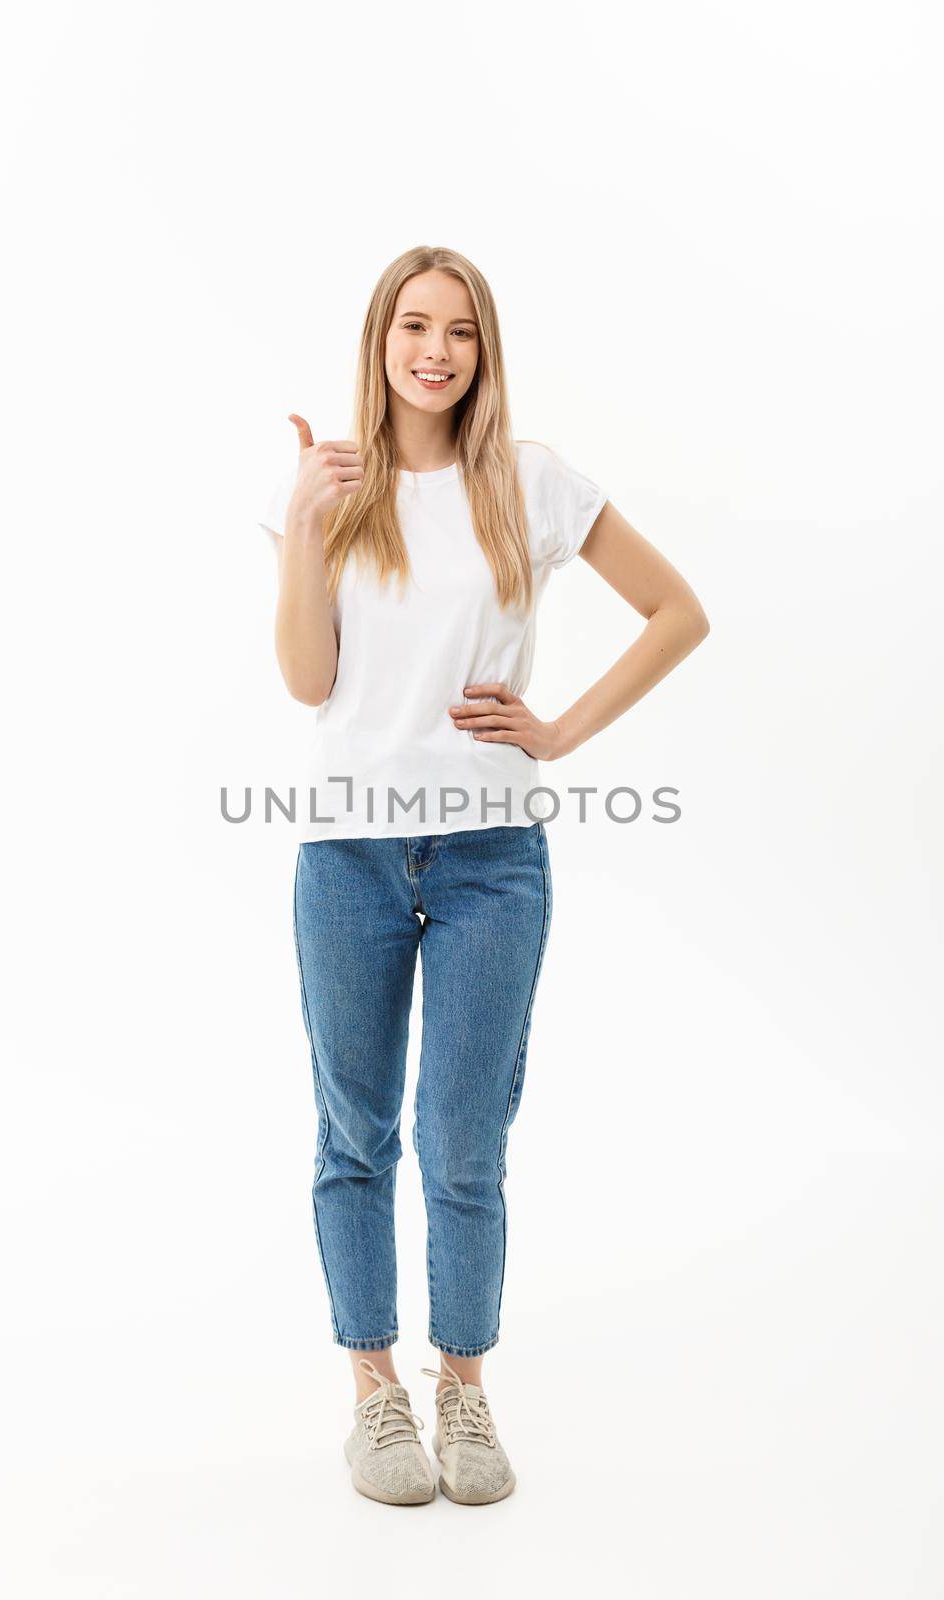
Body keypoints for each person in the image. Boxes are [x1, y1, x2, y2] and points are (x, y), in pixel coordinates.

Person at [256, 245, 709, 1505]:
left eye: (459, 329)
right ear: (380, 340)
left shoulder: (531, 483)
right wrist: (300, 523)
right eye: (414, 325)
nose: (435, 350)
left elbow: (677, 610)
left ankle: (463, 1388)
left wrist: (558, 733)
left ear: (483, 349)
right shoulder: (329, 484)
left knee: (462, 1137)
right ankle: (374, 1394)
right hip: (344, 851)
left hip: (491, 863)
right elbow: (306, 679)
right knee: (356, 1131)